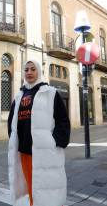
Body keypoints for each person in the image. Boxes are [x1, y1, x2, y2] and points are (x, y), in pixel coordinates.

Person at [8, 59, 70, 206]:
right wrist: (13, 139)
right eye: (26, 69)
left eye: (32, 69)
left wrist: (55, 142)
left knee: (50, 189)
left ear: (38, 71)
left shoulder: (50, 93)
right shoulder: (19, 96)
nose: (29, 72)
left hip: (45, 152)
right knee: (32, 189)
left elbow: (62, 120)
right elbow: (12, 121)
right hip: (24, 151)